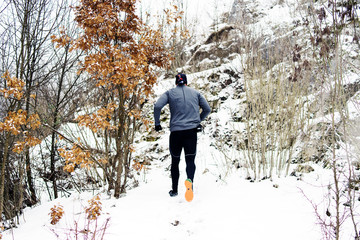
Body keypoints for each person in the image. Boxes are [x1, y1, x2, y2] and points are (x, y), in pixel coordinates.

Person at [153, 73, 211, 201]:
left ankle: (174, 190)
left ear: (176, 82)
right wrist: (197, 121)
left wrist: (157, 124)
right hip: (191, 132)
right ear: (186, 82)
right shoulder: (196, 93)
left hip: (176, 133)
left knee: (175, 161)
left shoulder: (169, 93)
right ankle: (189, 185)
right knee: (190, 160)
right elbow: (207, 109)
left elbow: (157, 106)